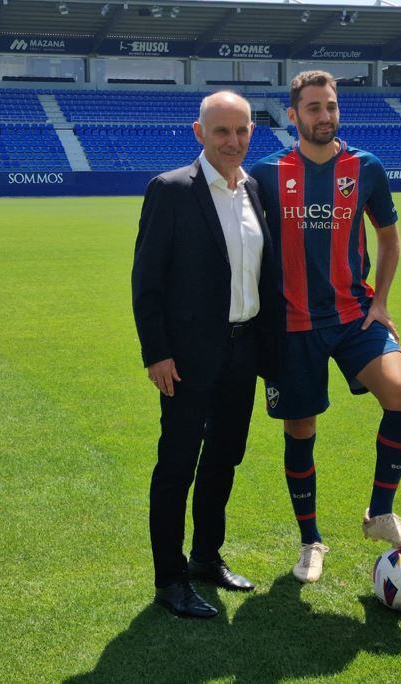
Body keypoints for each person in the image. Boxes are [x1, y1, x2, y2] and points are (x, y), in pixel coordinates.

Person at [250, 71, 401, 583]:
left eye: (330, 106)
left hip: (354, 316)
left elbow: (389, 240)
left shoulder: (365, 167)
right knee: (301, 429)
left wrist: (382, 302)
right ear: (293, 115)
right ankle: (310, 542)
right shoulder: (266, 173)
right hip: (292, 326)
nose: (324, 116)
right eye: (312, 108)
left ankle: (381, 513)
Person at [132, 91, 277, 617]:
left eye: (241, 131)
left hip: (243, 350)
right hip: (187, 358)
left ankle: (206, 557)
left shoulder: (254, 190)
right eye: (221, 131)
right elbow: (146, 281)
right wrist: (157, 353)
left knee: (224, 459)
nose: (233, 141)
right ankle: (170, 579)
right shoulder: (170, 190)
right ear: (199, 133)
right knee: (177, 465)